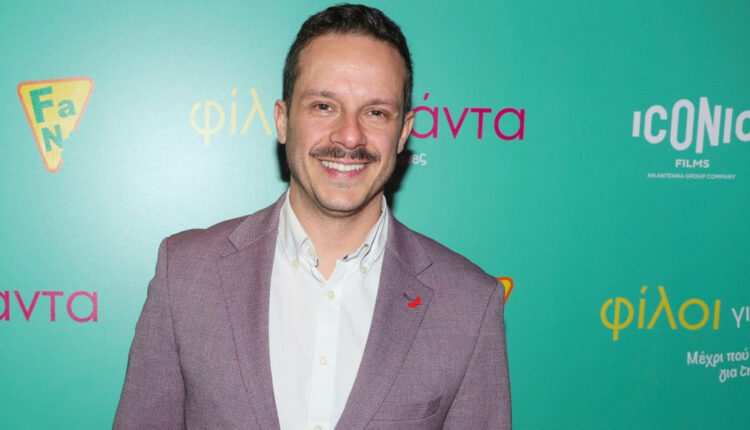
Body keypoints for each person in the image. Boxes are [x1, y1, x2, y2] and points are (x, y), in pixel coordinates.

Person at [114, 4, 510, 429]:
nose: (350, 136)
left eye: (376, 112)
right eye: (324, 106)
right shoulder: (186, 274)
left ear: (404, 133)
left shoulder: (468, 305)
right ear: (283, 121)